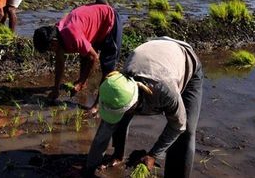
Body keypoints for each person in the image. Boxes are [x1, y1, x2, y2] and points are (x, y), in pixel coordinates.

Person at [85, 37, 203, 178]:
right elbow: (102, 135)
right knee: (119, 118)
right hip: (154, 53)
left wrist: (153, 155)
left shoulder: (164, 90)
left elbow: (178, 125)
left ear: (135, 103)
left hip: (185, 61)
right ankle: (118, 155)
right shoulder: (118, 88)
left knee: (187, 132)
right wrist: (88, 170)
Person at [32, 0, 121, 110]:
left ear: (53, 42)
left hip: (109, 20)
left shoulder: (73, 35)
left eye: (50, 50)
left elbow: (94, 58)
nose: (52, 52)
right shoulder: (56, 34)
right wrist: (56, 89)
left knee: (107, 68)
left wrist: (82, 81)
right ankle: (82, 82)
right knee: (84, 54)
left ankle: (98, 105)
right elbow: (59, 63)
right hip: (93, 23)